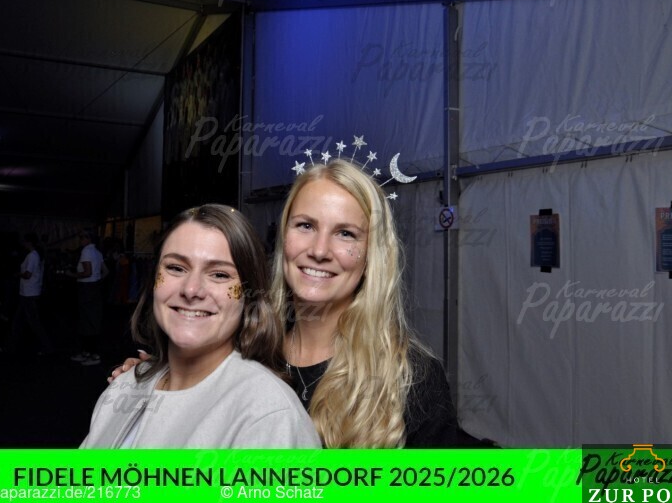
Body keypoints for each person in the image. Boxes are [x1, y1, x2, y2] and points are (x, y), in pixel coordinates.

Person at [113, 160, 460, 447]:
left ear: (372, 254)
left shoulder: (409, 377)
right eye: (305, 225)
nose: (319, 250)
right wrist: (154, 381)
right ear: (283, 236)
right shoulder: (242, 345)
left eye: (345, 233)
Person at [81, 205, 320, 448]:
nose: (191, 289)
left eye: (219, 275)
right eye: (176, 268)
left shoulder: (269, 415)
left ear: (249, 295)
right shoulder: (124, 385)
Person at [67, 231, 107, 366]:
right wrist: (96, 282)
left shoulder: (86, 251)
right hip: (93, 288)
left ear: (88, 238)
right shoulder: (97, 252)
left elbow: (87, 272)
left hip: (86, 289)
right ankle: (87, 352)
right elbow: (105, 271)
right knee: (91, 321)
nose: (80, 240)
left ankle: (93, 354)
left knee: (87, 321)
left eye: (82, 237)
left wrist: (71, 274)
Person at [8, 233, 53, 354]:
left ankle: (47, 347)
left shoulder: (32, 256)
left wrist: (17, 274)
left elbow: (28, 274)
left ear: (28, 242)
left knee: (33, 322)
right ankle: (11, 346)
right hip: (27, 292)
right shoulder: (34, 255)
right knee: (19, 321)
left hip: (29, 293)